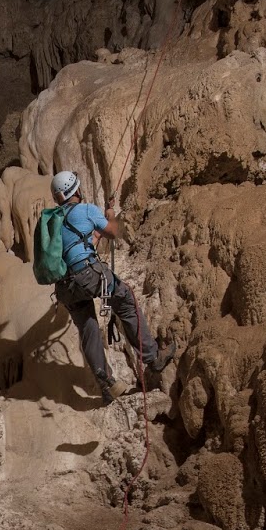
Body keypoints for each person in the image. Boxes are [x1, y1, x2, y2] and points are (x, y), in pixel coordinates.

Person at [48, 170, 166, 403]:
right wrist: (110, 215)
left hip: (64, 286)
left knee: (89, 329)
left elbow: (81, 244)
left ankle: (106, 387)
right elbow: (114, 232)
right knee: (126, 299)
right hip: (88, 274)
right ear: (77, 191)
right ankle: (153, 357)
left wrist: (96, 236)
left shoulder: (54, 221)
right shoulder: (86, 209)